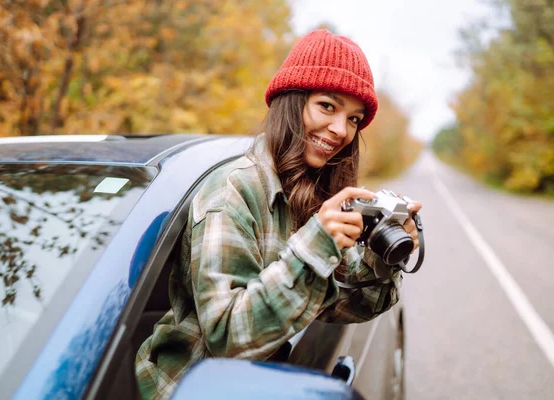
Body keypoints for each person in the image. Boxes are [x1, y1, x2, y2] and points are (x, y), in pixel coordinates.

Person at [135, 29, 422, 400]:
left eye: (354, 118)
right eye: (328, 106)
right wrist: (316, 247)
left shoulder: (312, 193)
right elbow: (227, 338)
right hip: (189, 389)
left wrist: (382, 258)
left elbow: (341, 305)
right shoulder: (232, 190)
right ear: (292, 101)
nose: (340, 131)